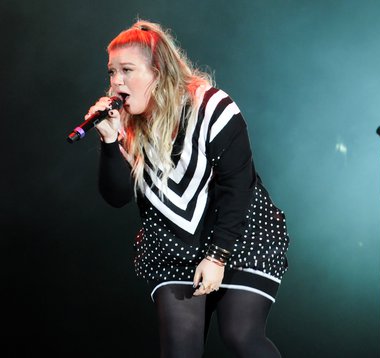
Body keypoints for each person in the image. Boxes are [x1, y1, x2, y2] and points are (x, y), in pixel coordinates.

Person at [88, 19, 291, 358]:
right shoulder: (128, 127)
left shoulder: (212, 108)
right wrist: (110, 141)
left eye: (126, 70)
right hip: (172, 245)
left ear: (158, 71)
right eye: (111, 72)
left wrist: (216, 256)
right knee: (180, 350)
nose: (115, 82)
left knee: (240, 335)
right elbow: (117, 197)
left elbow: (237, 184)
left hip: (238, 234)